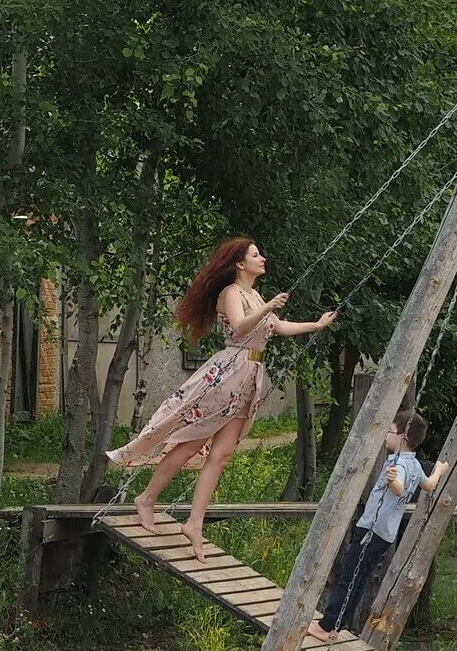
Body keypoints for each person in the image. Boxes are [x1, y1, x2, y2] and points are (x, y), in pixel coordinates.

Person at [109, 239, 336, 563]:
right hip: (229, 371)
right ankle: (146, 499)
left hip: (250, 375)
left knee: (223, 453)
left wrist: (315, 324)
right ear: (240, 264)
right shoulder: (231, 293)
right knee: (189, 444)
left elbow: (277, 327)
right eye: (256, 254)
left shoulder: (254, 295)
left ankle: (194, 523)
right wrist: (269, 306)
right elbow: (242, 327)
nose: (263, 258)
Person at [309, 411, 446, 643]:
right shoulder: (413, 464)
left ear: (402, 438)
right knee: (358, 578)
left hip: (370, 531)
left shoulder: (398, 464)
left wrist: (393, 480)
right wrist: (440, 470)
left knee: (349, 576)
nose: (386, 434)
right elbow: (429, 485)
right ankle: (336, 624)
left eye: (390, 431)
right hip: (385, 535)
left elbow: (400, 489)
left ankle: (325, 626)